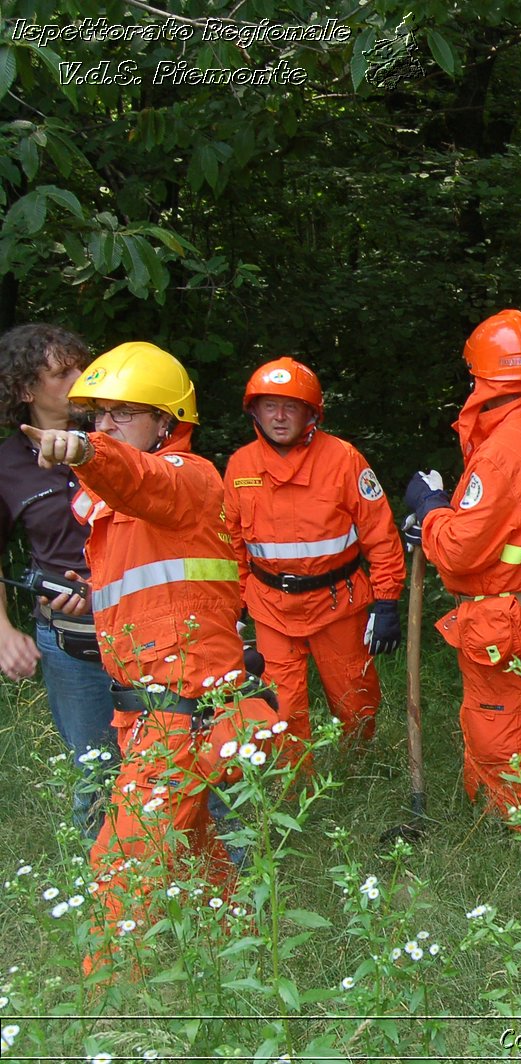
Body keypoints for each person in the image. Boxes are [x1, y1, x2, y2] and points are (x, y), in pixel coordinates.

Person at [22, 341, 279, 962]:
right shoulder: (124, 513)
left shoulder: (187, 476)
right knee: (203, 862)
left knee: (123, 864)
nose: (104, 425)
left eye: (121, 413)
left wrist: (86, 450)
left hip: (181, 713)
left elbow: (141, 479)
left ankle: (110, 1015)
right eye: (96, 417)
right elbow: (161, 588)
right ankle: (238, 976)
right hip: (154, 712)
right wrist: (92, 599)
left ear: (166, 421)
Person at [404, 309, 521, 826]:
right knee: (505, 721)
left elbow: (460, 549)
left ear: (487, 378)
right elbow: (513, 525)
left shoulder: (503, 451)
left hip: (505, 620)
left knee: (498, 739)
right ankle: (486, 817)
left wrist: (431, 507)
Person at [224, 357, 406, 763]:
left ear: (311, 413)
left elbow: (380, 534)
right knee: (281, 708)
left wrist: (388, 600)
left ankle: (360, 769)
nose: (280, 416)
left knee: (354, 699)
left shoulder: (343, 459)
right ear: (254, 410)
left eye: (291, 406)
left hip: (336, 602)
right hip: (270, 606)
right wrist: (234, 607)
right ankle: (294, 786)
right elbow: (233, 545)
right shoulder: (240, 466)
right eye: (270, 405)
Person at [0, 324, 117, 835]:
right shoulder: (6, 466)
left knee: (174, 750)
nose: (81, 378)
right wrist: (5, 633)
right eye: (63, 372)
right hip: (70, 641)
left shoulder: (116, 439)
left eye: (82, 366)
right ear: (26, 389)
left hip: (147, 625)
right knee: (97, 769)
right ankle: (104, 891)